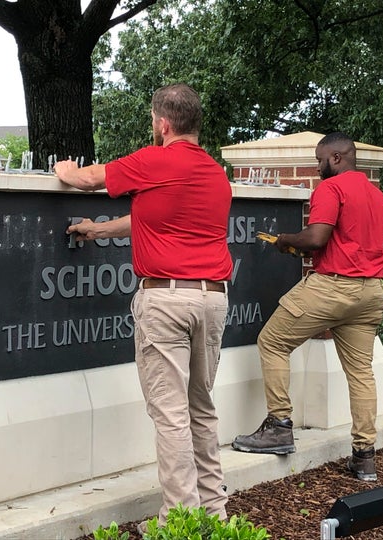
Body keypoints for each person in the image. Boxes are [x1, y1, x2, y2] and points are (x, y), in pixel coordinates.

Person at [54, 83, 232, 529]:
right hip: (212, 299)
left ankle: (181, 521)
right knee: (200, 408)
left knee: (170, 415)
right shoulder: (213, 172)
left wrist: (65, 167)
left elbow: (88, 178)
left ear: (162, 122)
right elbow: (148, 219)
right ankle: (214, 514)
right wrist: (98, 232)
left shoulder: (154, 160)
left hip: (165, 300)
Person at [231, 131, 383, 482]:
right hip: (370, 293)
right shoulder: (379, 198)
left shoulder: (331, 189)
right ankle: (364, 456)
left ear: (335, 158)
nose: (317, 166)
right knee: (361, 373)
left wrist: (286, 240)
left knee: (273, 342)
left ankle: (278, 426)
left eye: (319, 159)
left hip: (333, 287)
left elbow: (316, 238)